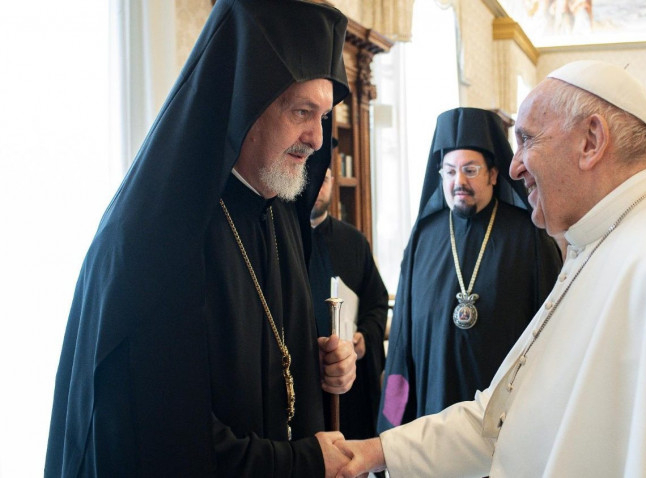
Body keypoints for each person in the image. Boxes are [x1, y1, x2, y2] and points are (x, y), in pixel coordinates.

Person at [336, 60, 646, 477]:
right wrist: (378, 450)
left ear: (591, 140)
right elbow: (512, 417)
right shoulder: (601, 242)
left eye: (527, 140)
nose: (515, 166)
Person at [46, 1, 359, 476]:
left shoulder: (279, 213)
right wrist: (304, 462)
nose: (317, 138)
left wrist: (322, 368)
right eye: (302, 111)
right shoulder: (156, 241)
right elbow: (160, 442)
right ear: (245, 102)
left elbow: (269, 370)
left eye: (324, 117)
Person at [377, 107, 562, 433]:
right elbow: (401, 344)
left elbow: (552, 338)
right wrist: (390, 425)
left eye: (470, 170)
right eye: (449, 171)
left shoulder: (529, 236)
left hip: (504, 424)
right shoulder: (423, 237)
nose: (458, 182)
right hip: (431, 416)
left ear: (494, 174)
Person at [309, 167, 389, 440]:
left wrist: (364, 338)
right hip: (302, 379)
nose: (318, 187)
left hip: (350, 382)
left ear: (332, 182)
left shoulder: (354, 241)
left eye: (324, 179)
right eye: (312, 178)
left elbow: (377, 302)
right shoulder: (281, 241)